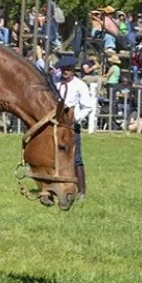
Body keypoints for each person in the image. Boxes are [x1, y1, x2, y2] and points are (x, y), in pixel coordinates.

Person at [53, 56, 91, 198]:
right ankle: (57, 185)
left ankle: (81, 190)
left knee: (76, 158)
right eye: (63, 70)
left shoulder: (80, 85)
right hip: (56, 124)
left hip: (71, 125)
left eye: (68, 70)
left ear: (73, 70)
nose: (65, 72)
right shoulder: (55, 83)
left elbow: (87, 106)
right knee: (56, 156)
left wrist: (76, 118)